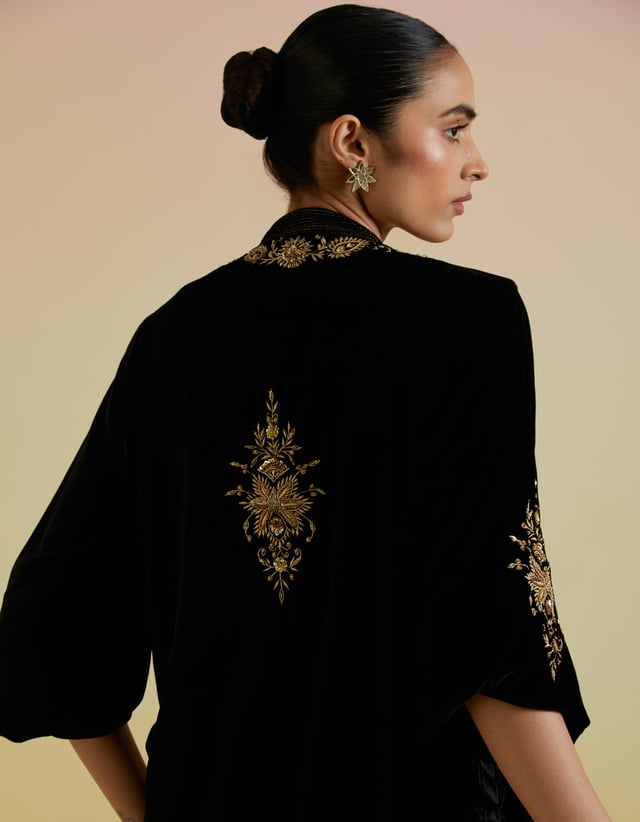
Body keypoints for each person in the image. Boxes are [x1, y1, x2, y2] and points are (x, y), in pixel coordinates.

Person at [0, 4, 611, 820]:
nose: (478, 163)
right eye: (455, 129)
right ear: (353, 142)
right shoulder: (467, 322)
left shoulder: (173, 337)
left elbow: (54, 619)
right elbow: (493, 635)